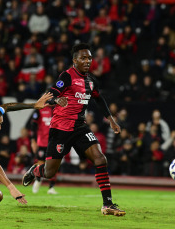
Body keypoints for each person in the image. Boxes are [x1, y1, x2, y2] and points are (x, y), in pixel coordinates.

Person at [22, 43, 125, 216]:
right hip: (60, 128)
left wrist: (111, 120)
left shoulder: (91, 81)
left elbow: (99, 100)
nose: (87, 61)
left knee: (100, 159)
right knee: (49, 172)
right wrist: (56, 101)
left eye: (89, 58)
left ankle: (107, 204)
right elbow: (53, 92)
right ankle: (35, 170)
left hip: (80, 127)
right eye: (83, 58)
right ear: (75, 60)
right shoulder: (67, 76)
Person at [30, 105, 58, 194]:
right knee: (40, 162)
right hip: (42, 142)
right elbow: (33, 125)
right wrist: (33, 140)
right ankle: (38, 180)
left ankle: (51, 187)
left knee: (54, 163)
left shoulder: (58, 109)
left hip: (54, 142)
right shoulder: (40, 110)